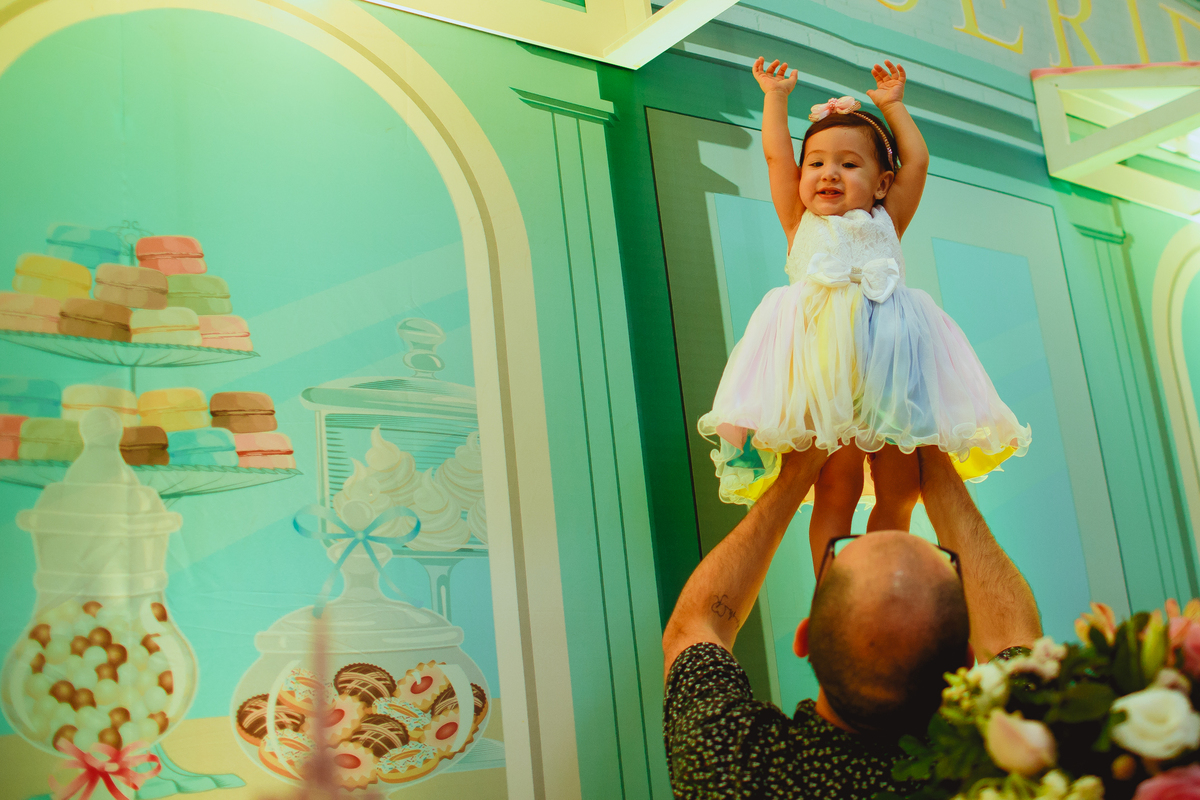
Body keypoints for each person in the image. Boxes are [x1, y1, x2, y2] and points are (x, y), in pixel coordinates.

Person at [697, 56, 1031, 570]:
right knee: (838, 484)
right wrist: (775, 98)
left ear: (881, 183)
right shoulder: (799, 220)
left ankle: (879, 579)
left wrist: (893, 107)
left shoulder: (887, 218)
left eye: (849, 164)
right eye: (816, 163)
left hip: (892, 371)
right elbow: (775, 157)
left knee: (902, 486)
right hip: (825, 377)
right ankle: (833, 586)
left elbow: (918, 162)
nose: (829, 173)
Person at [661, 446, 1042, 799]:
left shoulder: (729, 766)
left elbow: (695, 625)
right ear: (966, 661)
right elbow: (1013, 634)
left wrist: (796, 474)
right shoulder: (1009, 769)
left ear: (805, 639)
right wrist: (935, 468)